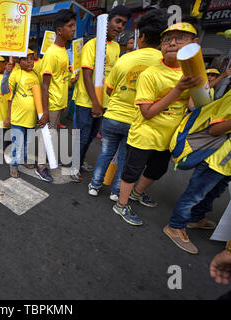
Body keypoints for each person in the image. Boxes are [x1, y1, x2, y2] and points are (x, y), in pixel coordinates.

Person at [113, 21, 202, 226]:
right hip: (144, 133)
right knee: (132, 171)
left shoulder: (190, 72)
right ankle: (121, 203)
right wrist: (178, 90)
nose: (172, 43)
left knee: (158, 170)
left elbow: (194, 105)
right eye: (167, 40)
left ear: (193, 43)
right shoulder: (150, 74)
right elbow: (147, 112)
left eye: (180, 38)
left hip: (169, 137)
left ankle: (137, 193)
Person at [88, 9, 168, 202]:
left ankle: (95, 185)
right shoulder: (164, 63)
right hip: (137, 121)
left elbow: (109, 89)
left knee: (106, 153)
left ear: (142, 37)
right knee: (125, 158)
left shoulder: (125, 58)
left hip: (114, 115)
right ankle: (116, 191)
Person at [164, 90, 231, 254]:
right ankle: (175, 226)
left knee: (214, 192)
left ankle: (196, 218)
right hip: (216, 159)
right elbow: (214, 129)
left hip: (227, 164)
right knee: (194, 195)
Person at [70, 5, 132, 182]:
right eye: (117, 21)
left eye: (123, 23)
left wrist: (105, 102)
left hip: (103, 102)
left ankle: (80, 161)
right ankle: (73, 167)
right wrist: (95, 102)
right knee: (82, 136)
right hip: (86, 101)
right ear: (107, 21)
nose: (120, 26)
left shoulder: (115, 48)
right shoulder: (92, 44)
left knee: (90, 136)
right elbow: (87, 74)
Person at [37, 9, 77, 183]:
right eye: (70, 26)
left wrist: (72, 80)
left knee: (52, 134)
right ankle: (41, 166)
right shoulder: (52, 53)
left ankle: (48, 160)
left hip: (60, 102)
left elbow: (61, 78)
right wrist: (45, 112)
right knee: (46, 134)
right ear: (59, 30)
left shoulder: (64, 51)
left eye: (74, 25)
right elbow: (45, 85)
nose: (74, 29)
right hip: (51, 104)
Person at [1, 49, 40, 178]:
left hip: (31, 118)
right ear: (19, 61)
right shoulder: (16, 74)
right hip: (17, 118)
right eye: (26, 59)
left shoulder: (35, 75)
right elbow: (5, 91)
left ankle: (23, 159)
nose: (30, 62)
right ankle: (14, 164)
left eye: (31, 58)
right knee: (17, 143)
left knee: (27, 142)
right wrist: (7, 72)